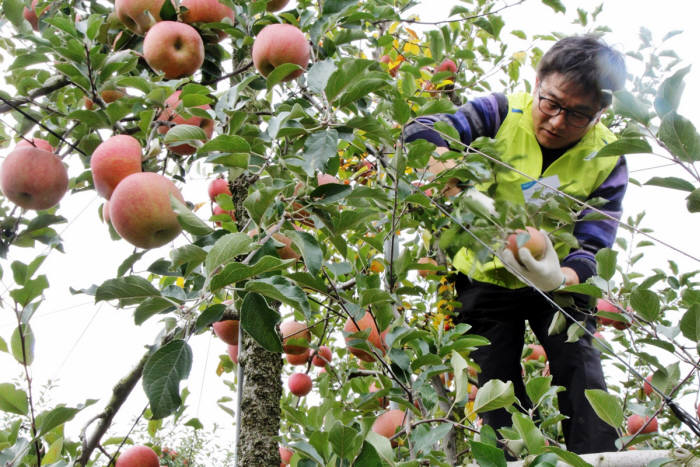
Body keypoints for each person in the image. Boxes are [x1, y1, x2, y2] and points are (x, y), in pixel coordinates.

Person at [404, 35, 627, 454]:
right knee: (497, 388)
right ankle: (514, 459)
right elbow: (424, 129)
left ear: (601, 113)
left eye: (579, 114)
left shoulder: (609, 158)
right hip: (484, 279)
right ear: (538, 81)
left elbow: (595, 241)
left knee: (580, 369)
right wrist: (442, 161)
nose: (559, 121)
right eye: (552, 103)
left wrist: (560, 274)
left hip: (554, 283)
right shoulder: (502, 112)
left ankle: (598, 460)